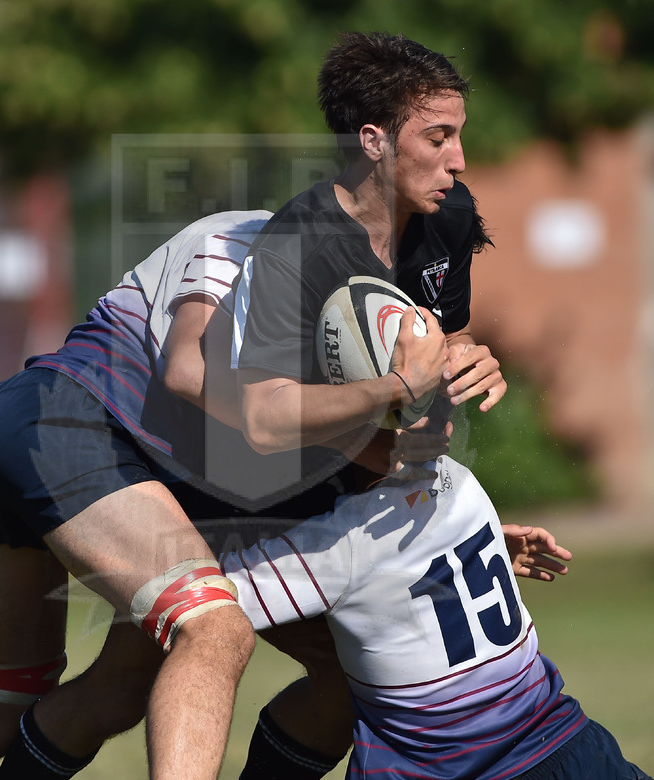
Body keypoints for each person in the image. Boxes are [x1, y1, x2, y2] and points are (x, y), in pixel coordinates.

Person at [0, 210, 446, 780]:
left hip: (70, 445)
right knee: (214, 630)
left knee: (31, 701)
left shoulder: (333, 313)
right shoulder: (245, 242)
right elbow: (193, 377)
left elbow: (360, 446)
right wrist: (384, 402)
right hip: (65, 427)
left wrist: (434, 453)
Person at [230, 30, 507, 775]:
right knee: (130, 680)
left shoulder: (449, 215)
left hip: (372, 484)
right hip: (250, 489)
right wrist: (395, 391)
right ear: (374, 140)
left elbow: (442, 349)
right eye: (437, 138)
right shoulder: (298, 243)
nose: (458, 160)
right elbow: (259, 420)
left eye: (459, 137)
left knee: (362, 689)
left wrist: (466, 363)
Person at [221, 456, 650, 780]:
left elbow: (210, 597)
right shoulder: (457, 478)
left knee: (331, 680)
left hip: (444, 771)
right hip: (568, 748)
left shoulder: (336, 544)